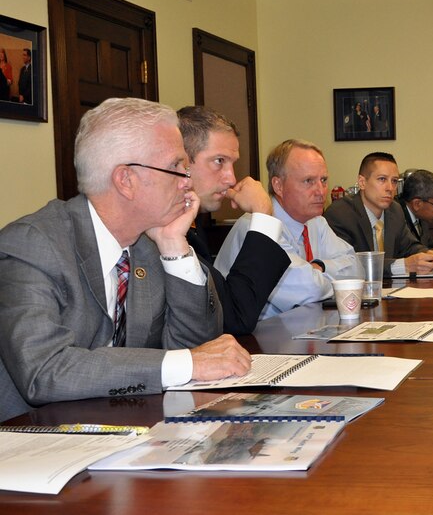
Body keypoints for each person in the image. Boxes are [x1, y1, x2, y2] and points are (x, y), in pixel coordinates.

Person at [0, 97, 252, 422]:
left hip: (118, 429)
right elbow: (44, 371)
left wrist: (175, 247)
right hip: (27, 443)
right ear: (126, 180)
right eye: (176, 167)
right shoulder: (32, 244)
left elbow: (198, 348)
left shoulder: (147, 243)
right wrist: (186, 363)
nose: (187, 181)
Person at [177, 106, 290, 335]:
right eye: (219, 161)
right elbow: (236, 318)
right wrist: (262, 214)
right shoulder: (163, 232)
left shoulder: (194, 227)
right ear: (182, 164)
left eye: (232, 163)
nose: (231, 178)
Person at [216, 139, 358, 318]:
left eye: (323, 180)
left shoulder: (316, 222)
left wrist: (320, 267)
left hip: (298, 329)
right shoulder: (256, 226)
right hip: (252, 338)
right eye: (308, 181)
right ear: (278, 186)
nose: (321, 191)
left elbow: (355, 267)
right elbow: (308, 291)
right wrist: (331, 279)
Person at [324, 152, 433, 276]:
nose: (390, 188)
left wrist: (431, 256)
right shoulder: (340, 214)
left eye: (394, 181)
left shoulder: (395, 210)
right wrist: (403, 265)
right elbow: (350, 266)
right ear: (362, 182)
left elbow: (410, 247)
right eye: (382, 179)